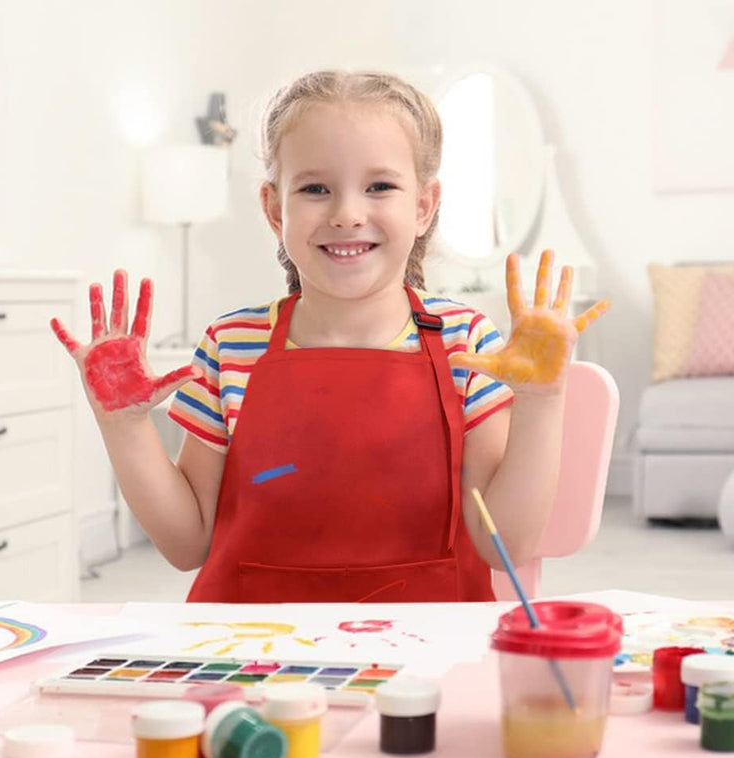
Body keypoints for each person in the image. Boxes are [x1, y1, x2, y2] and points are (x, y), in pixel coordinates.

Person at [51, 70, 609, 604]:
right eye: (316, 188)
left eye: (379, 186)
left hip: (424, 649)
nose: (347, 213)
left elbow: (503, 544)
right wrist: (124, 427)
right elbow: (185, 543)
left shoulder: (467, 343)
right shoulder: (231, 344)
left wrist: (542, 400)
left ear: (423, 207)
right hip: (256, 650)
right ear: (274, 209)